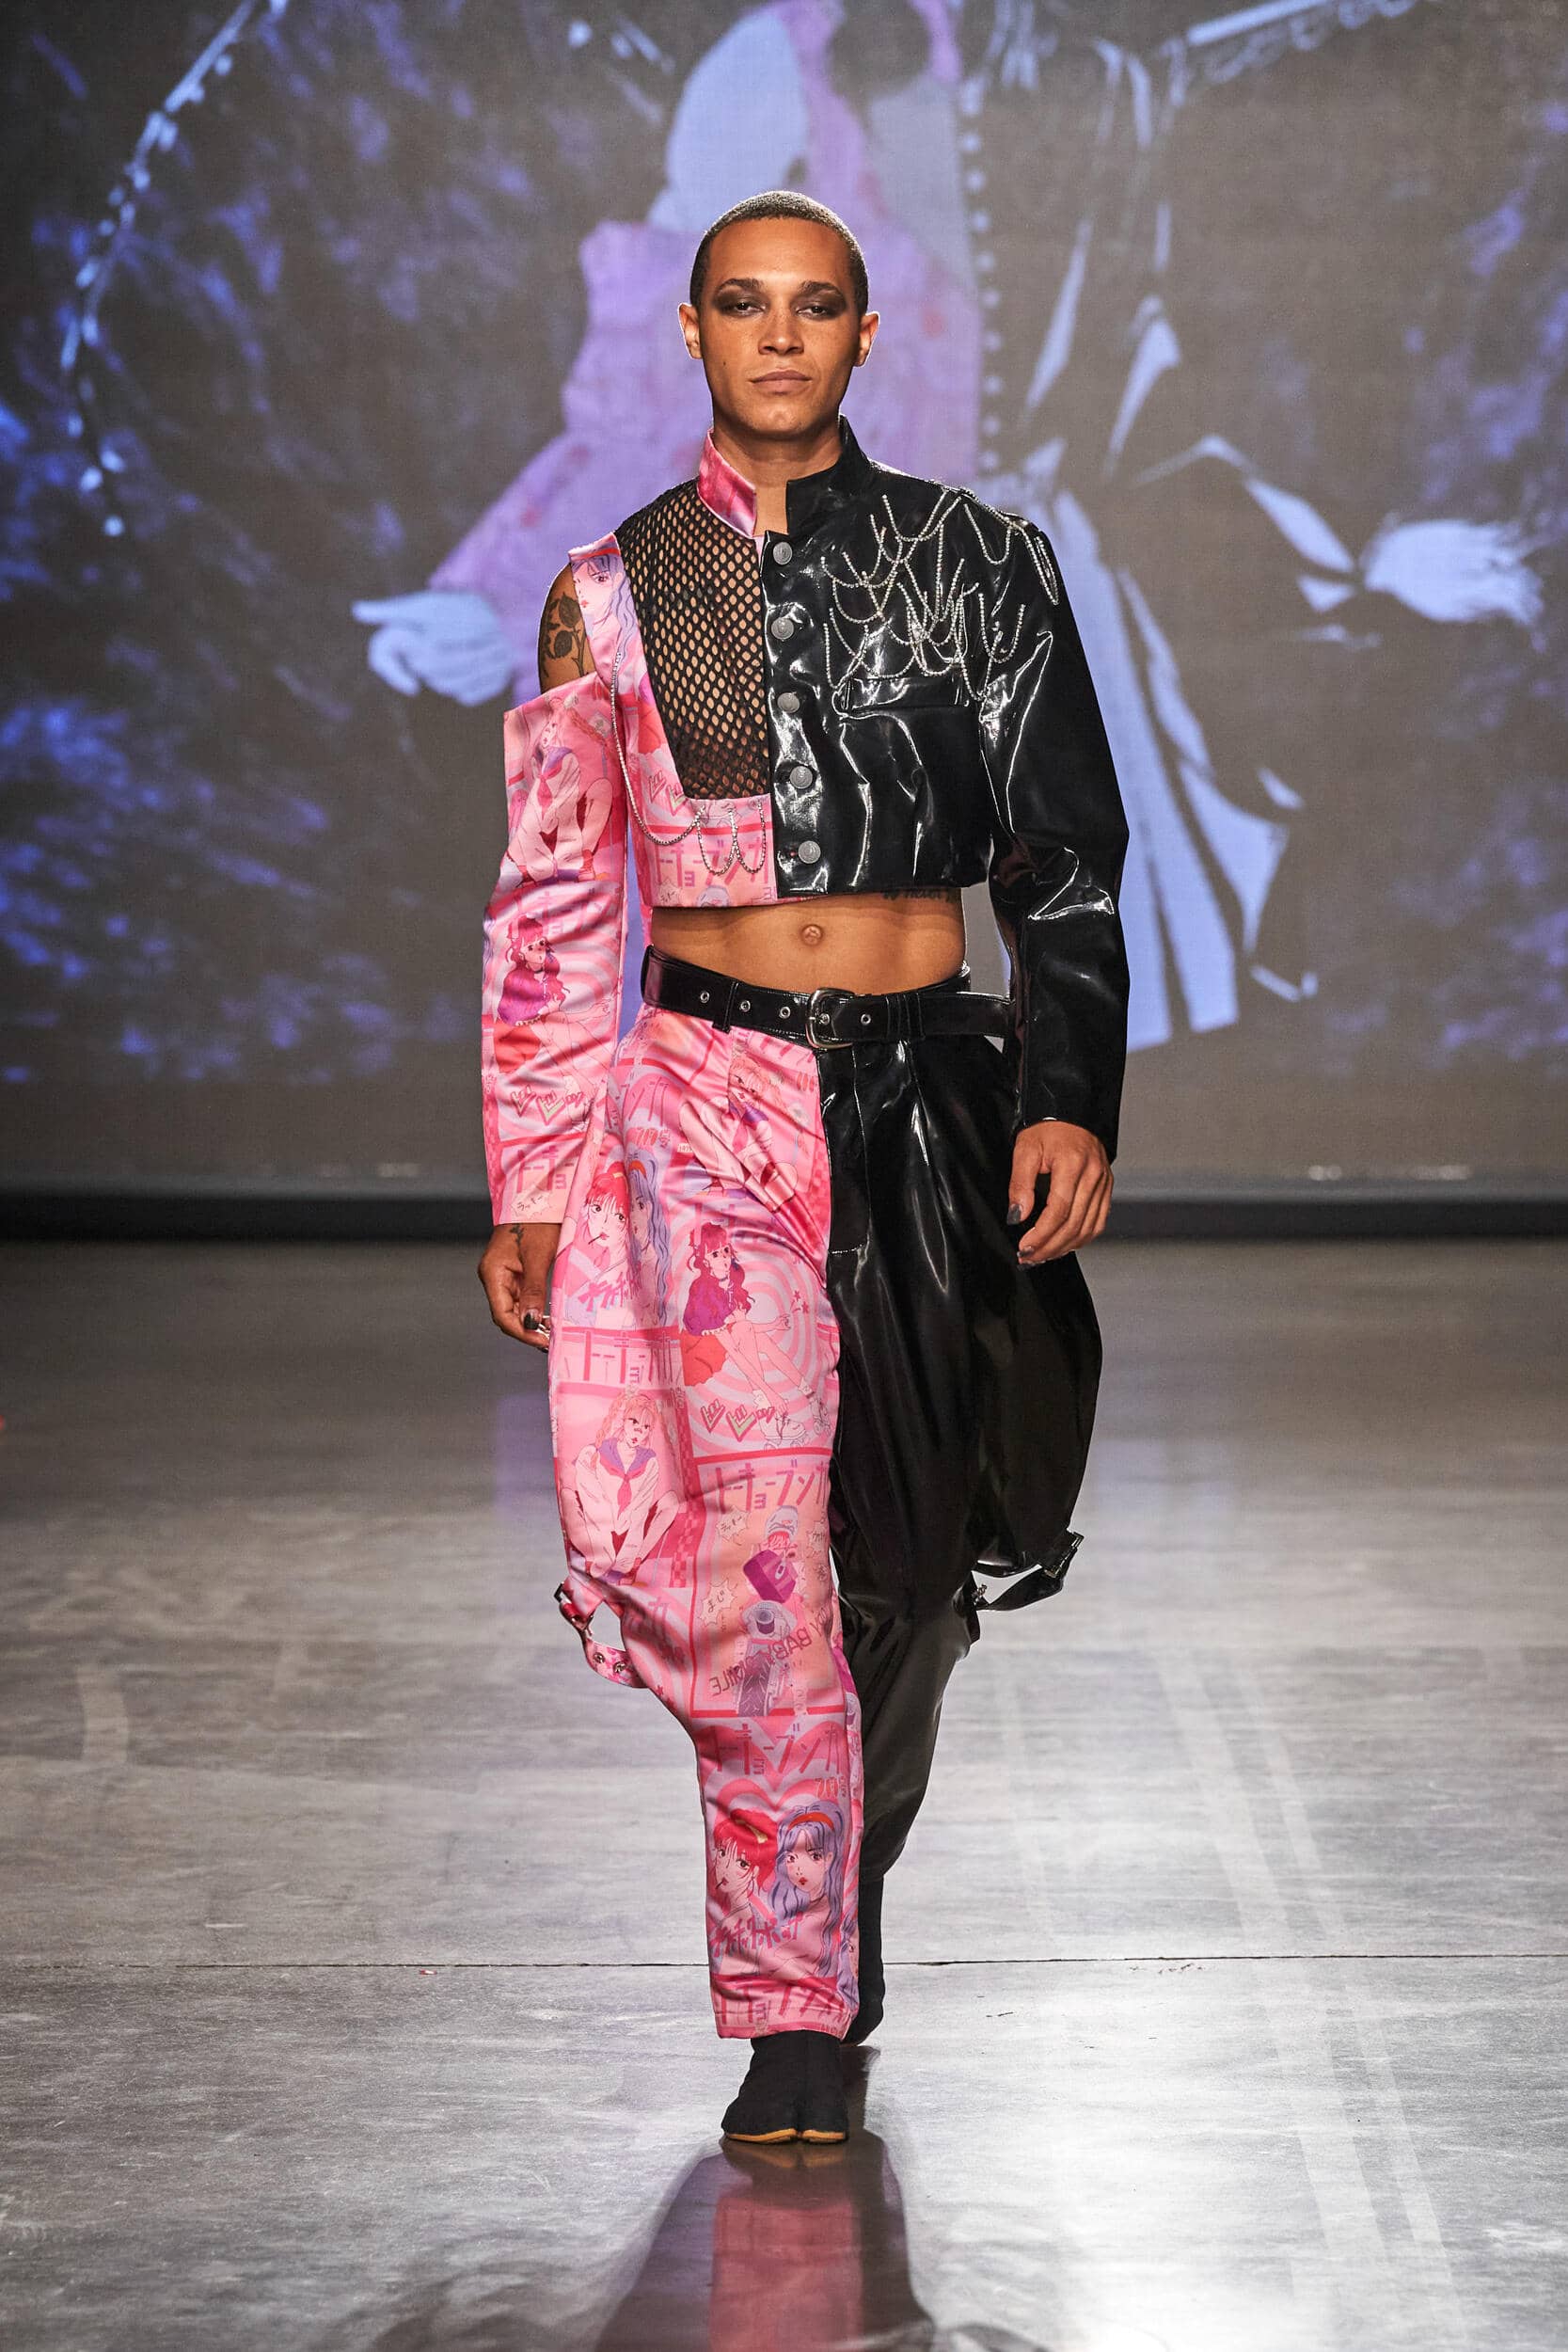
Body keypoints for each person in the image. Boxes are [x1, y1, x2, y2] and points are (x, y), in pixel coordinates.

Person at [478, 190, 1130, 2146]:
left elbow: (1066, 862)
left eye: (816, 304)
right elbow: (552, 900)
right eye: (744, 305)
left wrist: (1070, 1094)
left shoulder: (979, 562)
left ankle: (837, 1911)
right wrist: (532, 1175)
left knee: (912, 1578)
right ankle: (794, 2011)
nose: (780, 335)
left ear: (864, 333)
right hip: (704, 1104)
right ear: (690, 331)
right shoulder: (617, 590)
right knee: (766, 1567)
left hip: (929, 1098)